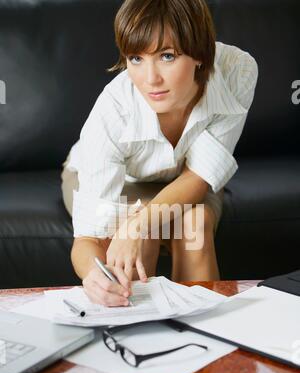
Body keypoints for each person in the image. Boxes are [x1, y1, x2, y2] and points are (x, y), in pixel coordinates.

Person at [61, 0, 258, 306]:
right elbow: (87, 240)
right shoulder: (113, 109)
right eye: (136, 58)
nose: (150, 79)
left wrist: (139, 223)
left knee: (193, 224)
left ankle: (209, 336)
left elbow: (199, 175)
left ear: (200, 54)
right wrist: (94, 278)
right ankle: (140, 335)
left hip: (185, 178)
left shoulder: (236, 71)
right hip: (116, 177)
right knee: (137, 234)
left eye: (167, 56)